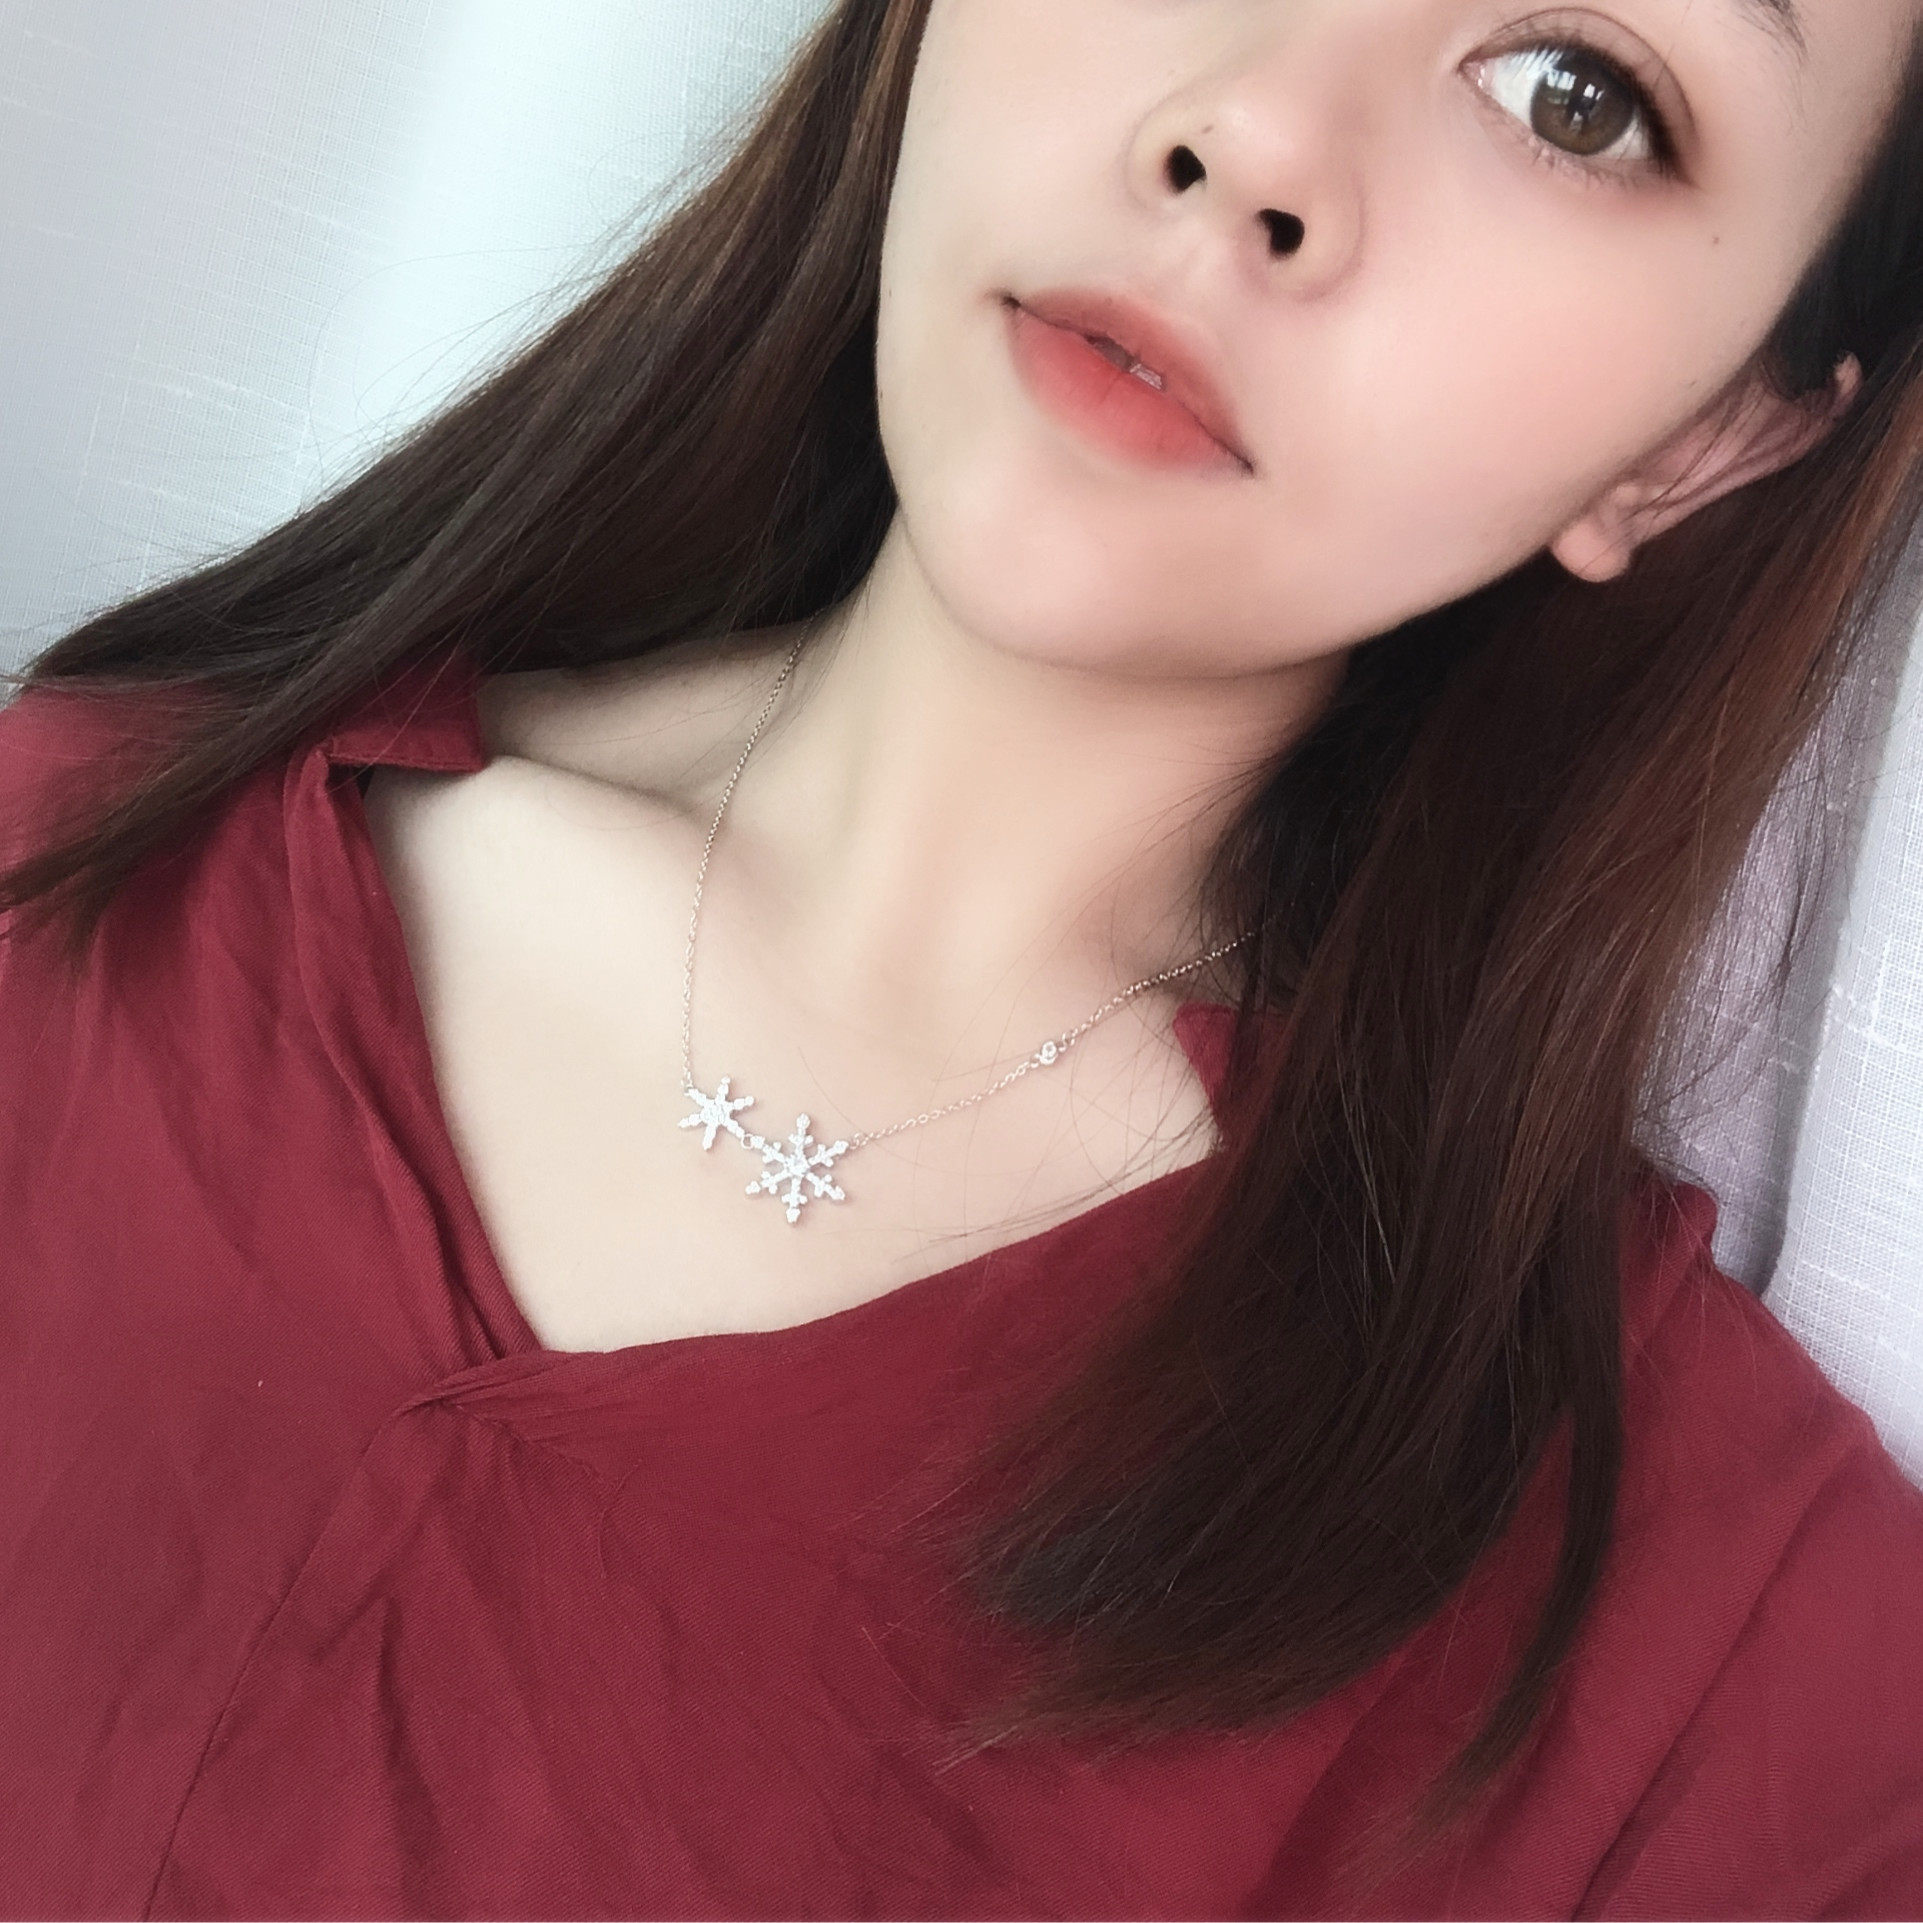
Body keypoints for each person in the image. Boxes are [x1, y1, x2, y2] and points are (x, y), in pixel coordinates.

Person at [3, 0, 1923, 1914]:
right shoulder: (68, 858)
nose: (1252, 139)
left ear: (1708, 441)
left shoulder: (1718, 1680)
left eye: (1578, 99)